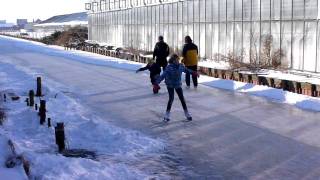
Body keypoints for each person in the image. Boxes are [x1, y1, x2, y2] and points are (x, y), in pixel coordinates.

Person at [156, 54, 198, 122]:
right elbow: (163, 76)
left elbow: (187, 70)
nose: (178, 61)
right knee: (171, 99)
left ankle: (187, 114)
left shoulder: (181, 66)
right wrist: (156, 83)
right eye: (176, 60)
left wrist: (193, 73)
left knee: (182, 99)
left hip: (177, 84)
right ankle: (167, 115)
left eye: (178, 59)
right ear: (173, 61)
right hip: (170, 85)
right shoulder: (169, 67)